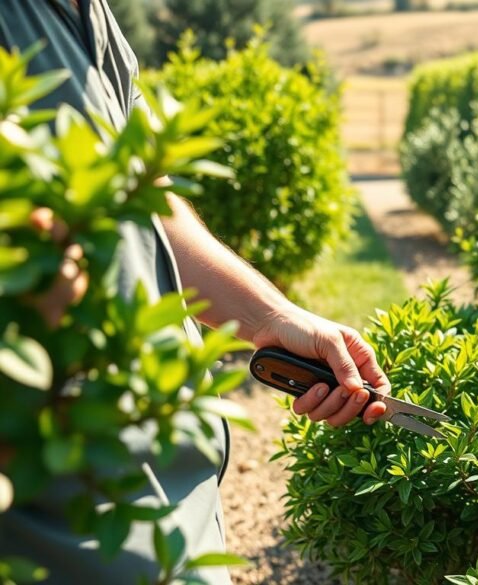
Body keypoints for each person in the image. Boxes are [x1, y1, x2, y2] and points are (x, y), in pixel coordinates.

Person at [0, 1, 391, 583]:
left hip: (177, 496)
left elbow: (147, 191)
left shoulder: (89, 11)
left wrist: (272, 315)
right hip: (67, 522)